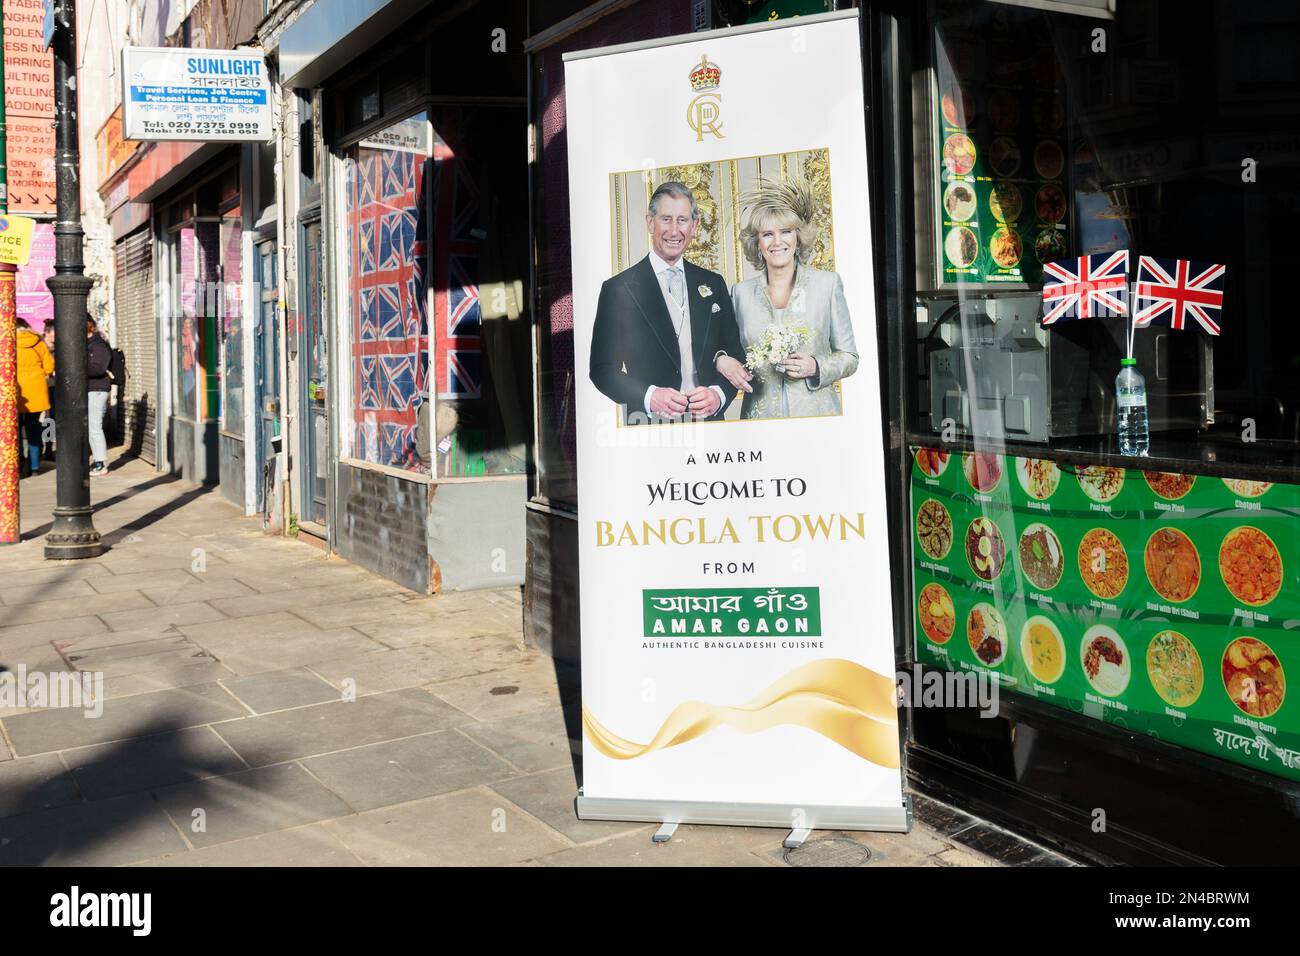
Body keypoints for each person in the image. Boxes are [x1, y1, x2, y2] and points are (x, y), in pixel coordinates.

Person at [589, 181, 749, 424]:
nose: (674, 231)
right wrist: (649, 396)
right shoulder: (618, 289)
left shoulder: (713, 283)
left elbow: (736, 356)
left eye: (682, 220)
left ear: (694, 226)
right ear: (650, 222)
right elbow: (602, 370)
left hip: (710, 427)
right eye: (666, 219)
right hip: (649, 426)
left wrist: (718, 396)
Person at [724, 177, 858, 420]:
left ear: (798, 238)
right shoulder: (740, 294)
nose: (777, 242)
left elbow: (849, 357)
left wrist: (816, 366)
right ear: (757, 244)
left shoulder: (827, 284)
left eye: (786, 232)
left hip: (816, 418)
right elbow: (729, 352)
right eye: (767, 234)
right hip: (759, 422)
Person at [15, 317, 54, 477]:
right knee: (34, 429)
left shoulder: (7, 342)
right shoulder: (39, 343)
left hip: (16, 391)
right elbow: (50, 367)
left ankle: (17, 462)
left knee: (14, 430)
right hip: (37, 391)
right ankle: (35, 467)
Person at [87, 317, 112, 477]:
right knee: (92, 427)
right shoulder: (89, 345)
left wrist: (77, 365)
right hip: (91, 389)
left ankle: (100, 463)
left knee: (95, 426)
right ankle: (97, 460)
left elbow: (98, 369)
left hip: (97, 389)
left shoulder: (99, 346)